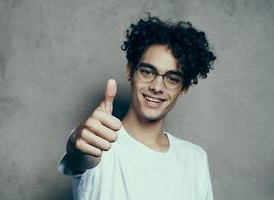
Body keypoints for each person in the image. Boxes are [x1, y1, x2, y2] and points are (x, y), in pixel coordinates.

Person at [58, 14, 216, 200]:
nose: (157, 87)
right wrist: (78, 142)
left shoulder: (195, 158)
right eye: (148, 71)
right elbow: (81, 154)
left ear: (184, 88)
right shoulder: (100, 140)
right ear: (130, 72)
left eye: (172, 79)